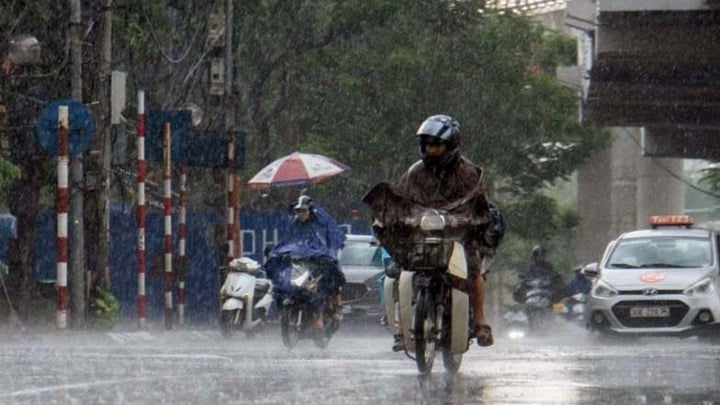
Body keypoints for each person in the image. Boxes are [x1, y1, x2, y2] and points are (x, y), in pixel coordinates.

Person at [382, 114, 499, 349]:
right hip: (424, 235)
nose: (431, 150)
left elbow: (479, 205)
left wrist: (467, 220)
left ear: (451, 145)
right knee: (398, 269)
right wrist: (398, 218)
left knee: (475, 270)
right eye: (427, 145)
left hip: (459, 236)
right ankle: (399, 327)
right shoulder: (415, 172)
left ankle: (479, 322)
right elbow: (401, 200)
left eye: (436, 145)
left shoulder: (468, 173)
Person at [265, 194, 346, 331]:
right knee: (282, 285)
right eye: (298, 211)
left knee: (326, 281)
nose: (300, 214)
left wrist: (322, 253)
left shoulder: (319, 225)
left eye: (303, 211)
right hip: (299, 264)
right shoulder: (293, 226)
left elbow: (325, 242)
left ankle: (331, 310)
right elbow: (286, 243)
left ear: (310, 211)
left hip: (318, 263)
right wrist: (278, 253)